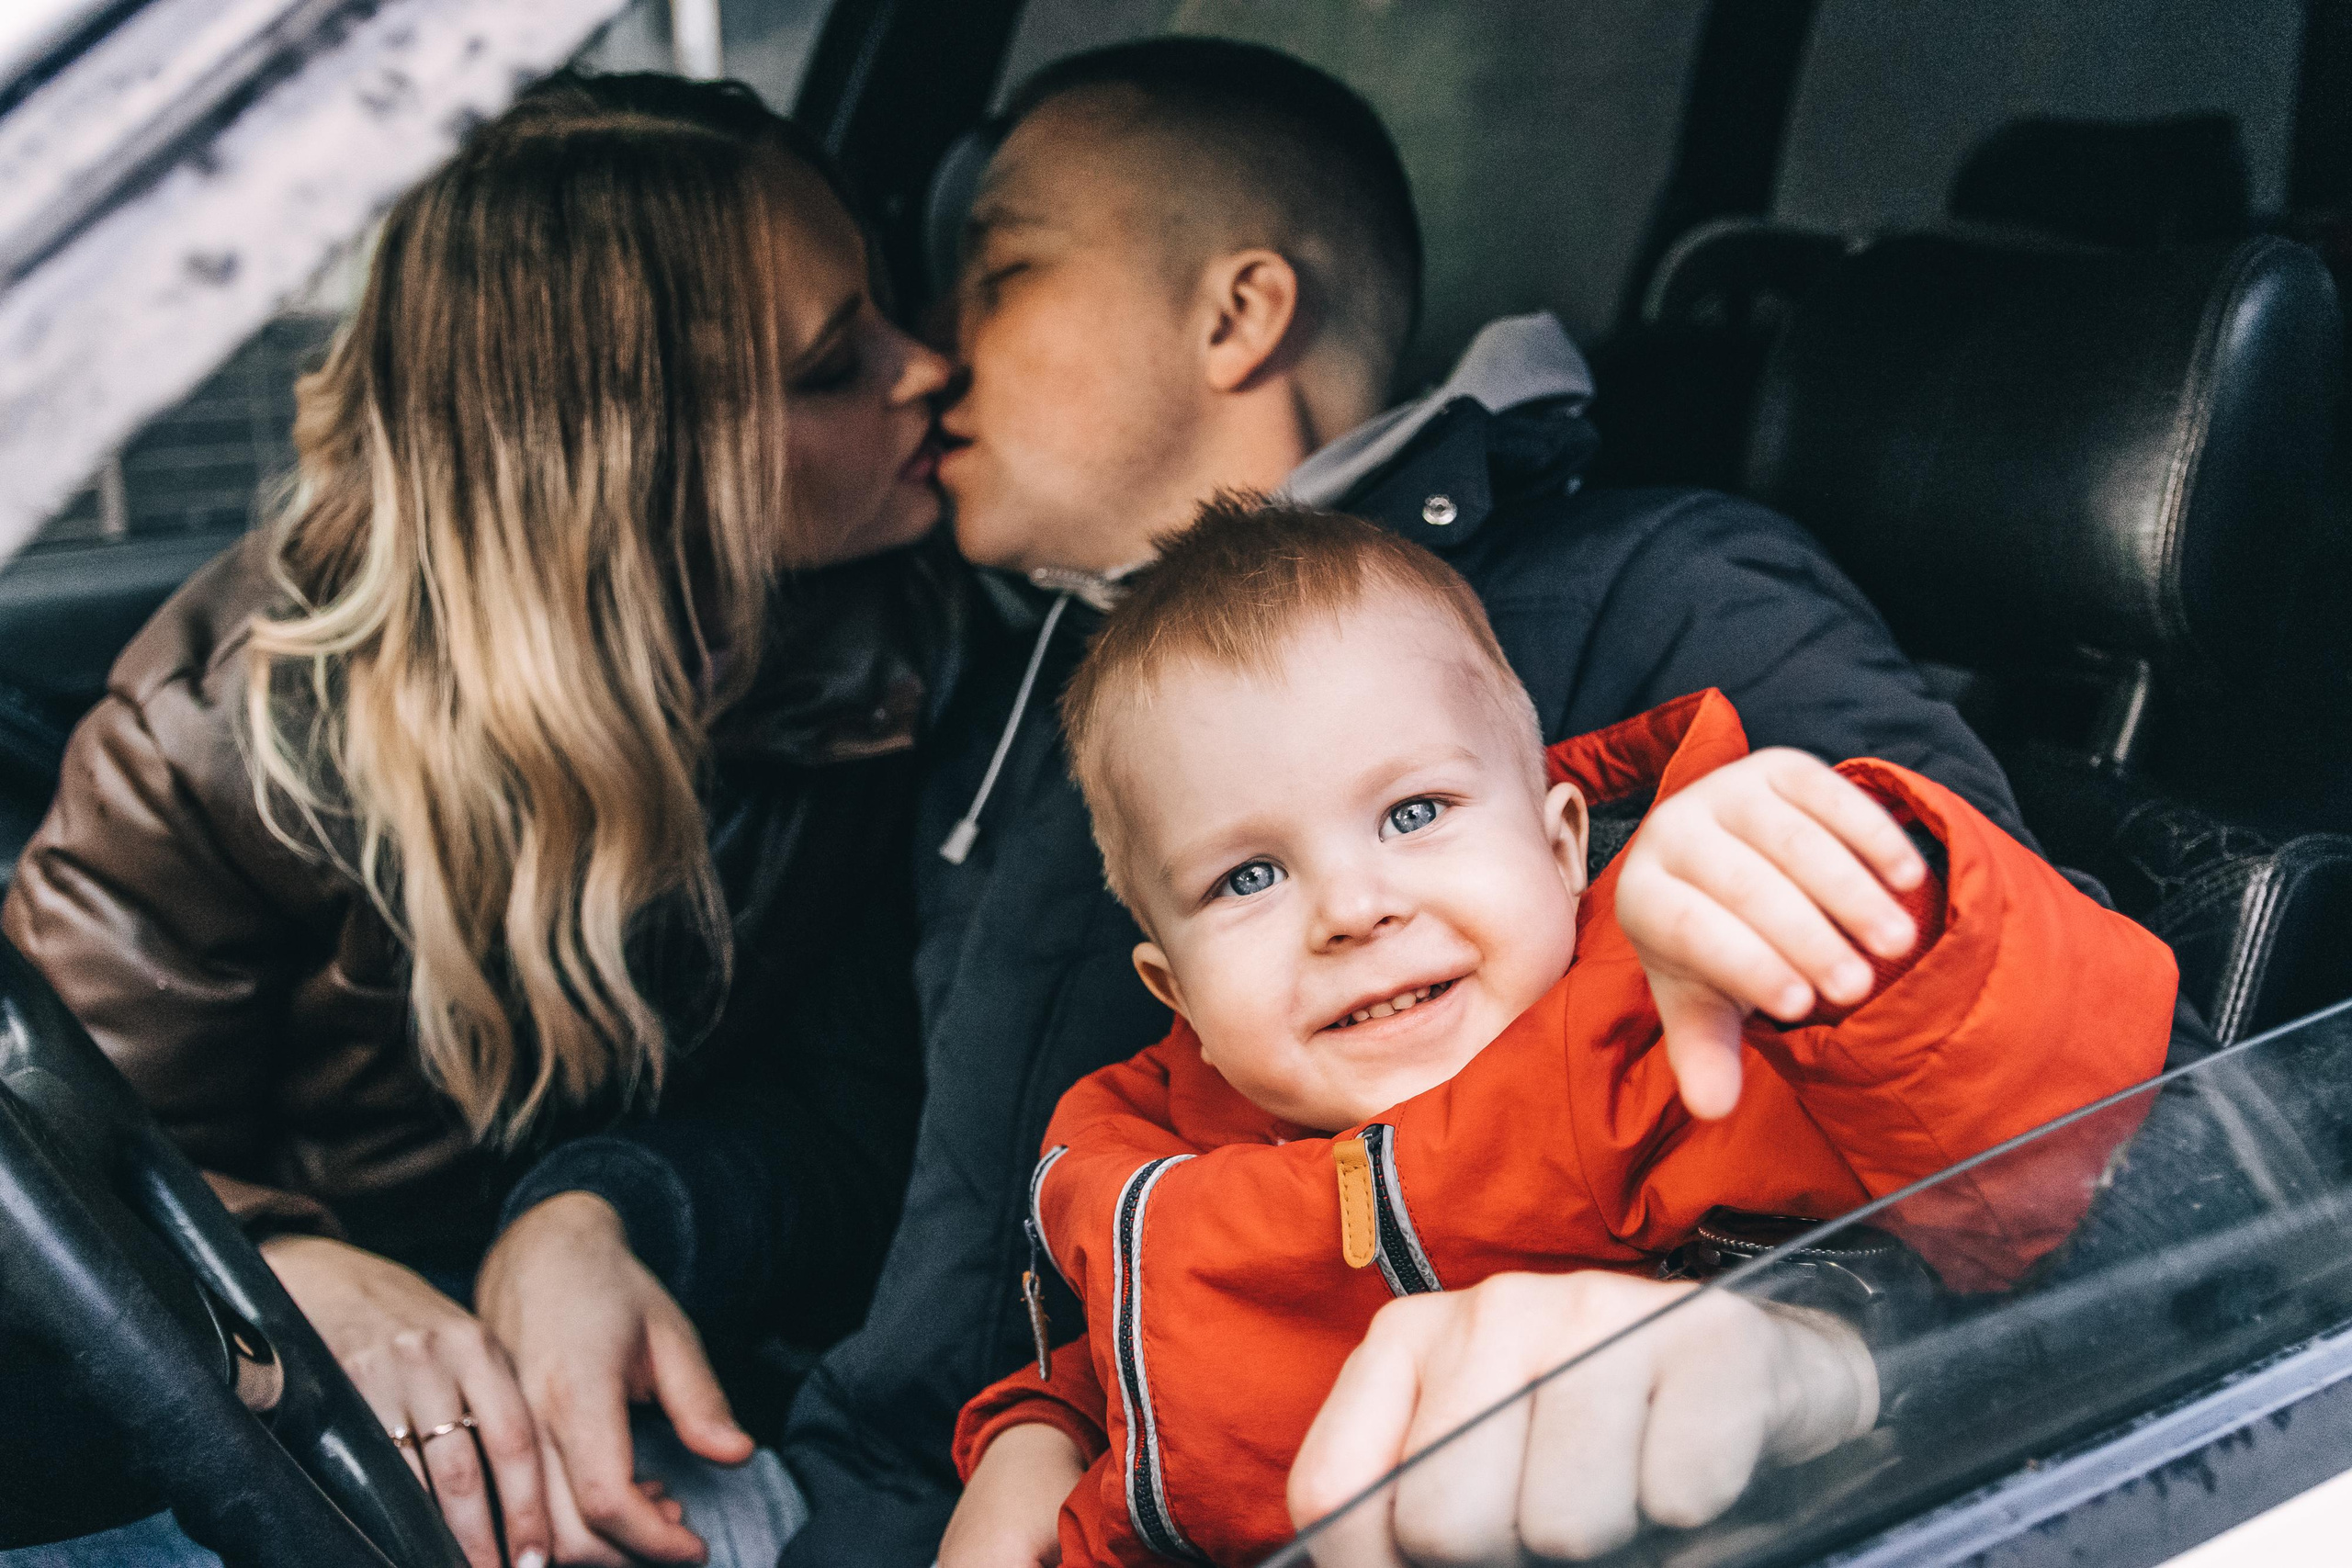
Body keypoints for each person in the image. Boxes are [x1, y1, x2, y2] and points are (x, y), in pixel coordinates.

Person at [488, 39, 2051, 1568]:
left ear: (1240, 313)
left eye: (1001, 270)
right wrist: (610, 1218)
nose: (934, 349)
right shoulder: (1026, 691)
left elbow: (2087, 1111)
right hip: (880, 1489)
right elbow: (869, 1123)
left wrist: (1793, 1347)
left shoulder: (1655, 597)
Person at [0, 72, 955, 1568]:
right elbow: (52, 1174)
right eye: (837, 365)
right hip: (278, 1373)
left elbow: (864, 1123)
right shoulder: (226, 729)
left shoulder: (889, 663)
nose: (929, 368)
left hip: (663, 1335)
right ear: (633, 453)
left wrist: (607, 1213)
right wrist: (289, 1266)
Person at [934, 502, 2175, 1566]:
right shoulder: (1128, 1145)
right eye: (1247, 879)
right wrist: (1031, 1437)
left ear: (1562, 841)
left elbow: (2029, 1147)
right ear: (1175, 987)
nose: (1353, 909)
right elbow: (1130, 1363)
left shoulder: (1668, 1033)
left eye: (1413, 811)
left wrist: (1844, 918)